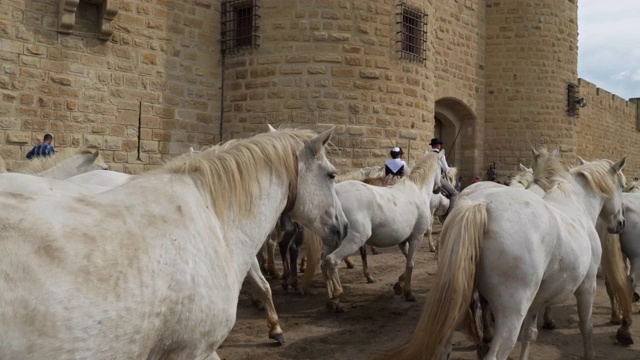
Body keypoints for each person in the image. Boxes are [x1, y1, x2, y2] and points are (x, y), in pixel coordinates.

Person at [428, 137, 458, 217]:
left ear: (432, 146)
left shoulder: (427, 154)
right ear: (438, 146)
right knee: (455, 193)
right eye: (439, 145)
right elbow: (446, 169)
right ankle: (450, 215)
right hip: (438, 179)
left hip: (427, 179)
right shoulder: (441, 155)